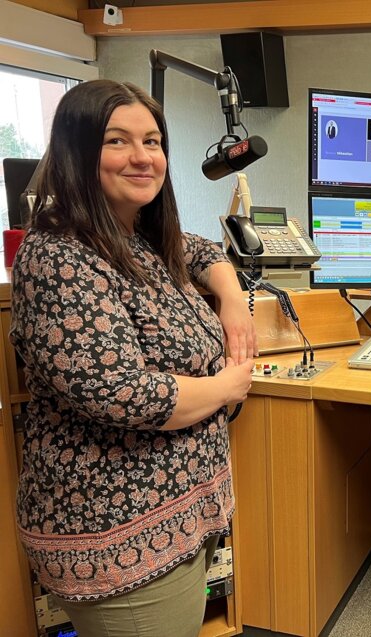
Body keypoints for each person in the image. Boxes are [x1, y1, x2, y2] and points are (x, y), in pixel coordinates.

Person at [10, 79, 258, 637]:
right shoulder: (58, 257)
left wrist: (233, 299)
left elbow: (202, 249)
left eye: (152, 141)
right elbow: (122, 393)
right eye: (117, 141)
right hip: (117, 538)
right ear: (76, 151)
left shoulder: (136, 235)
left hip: (180, 518)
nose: (143, 157)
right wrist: (227, 386)